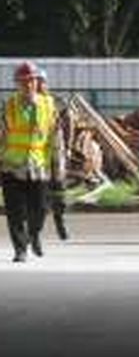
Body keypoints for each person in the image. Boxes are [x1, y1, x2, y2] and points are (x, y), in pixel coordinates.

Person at [0, 61, 66, 263]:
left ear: (37, 82)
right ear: (17, 84)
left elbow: (57, 140)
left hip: (39, 168)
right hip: (12, 167)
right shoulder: (9, 106)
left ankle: (33, 234)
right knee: (14, 212)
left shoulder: (48, 106)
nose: (28, 85)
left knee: (39, 211)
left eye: (31, 80)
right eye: (23, 81)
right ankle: (20, 249)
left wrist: (59, 169)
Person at [37, 69, 70, 241]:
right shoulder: (28, 104)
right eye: (36, 81)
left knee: (59, 190)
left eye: (41, 81)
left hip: (56, 152)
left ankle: (61, 222)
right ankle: (37, 227)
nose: (38, 85)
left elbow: (68, 123)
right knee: (39, 192)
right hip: (37, 153)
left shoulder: (57, 102)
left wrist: (69, 147)